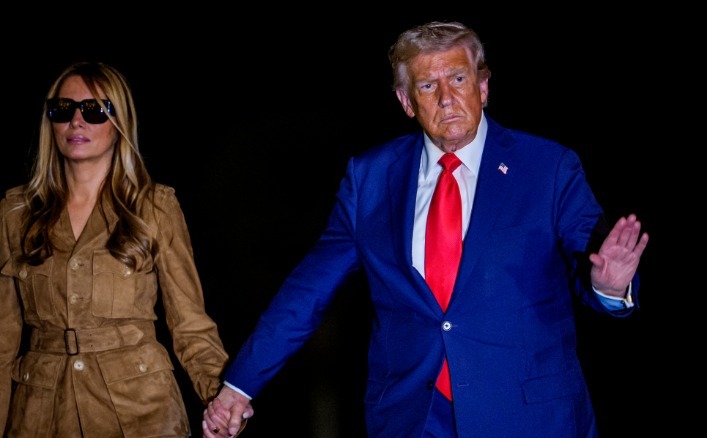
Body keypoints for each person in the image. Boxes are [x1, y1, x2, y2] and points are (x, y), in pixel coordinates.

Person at [203, 20, 649, 438]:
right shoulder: (370, 179)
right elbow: (307, 292)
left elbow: (596, 266)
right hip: (411, 417)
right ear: (405, 102)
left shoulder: (549, 168)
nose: (446, 97)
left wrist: (609, 285)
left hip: (528, 415)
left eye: (458, 79)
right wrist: (239, 387)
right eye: (427, 85)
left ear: (484, 86)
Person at [0, 61, 237, 437]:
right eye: (63, 110)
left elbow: (190, 325)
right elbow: (3, 339)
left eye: (94, 110)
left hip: (142, 414)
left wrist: (220, 401)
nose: (76, 121)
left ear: (120, 122)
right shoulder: (16, 213)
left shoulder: (155, 207)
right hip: (40, 417)